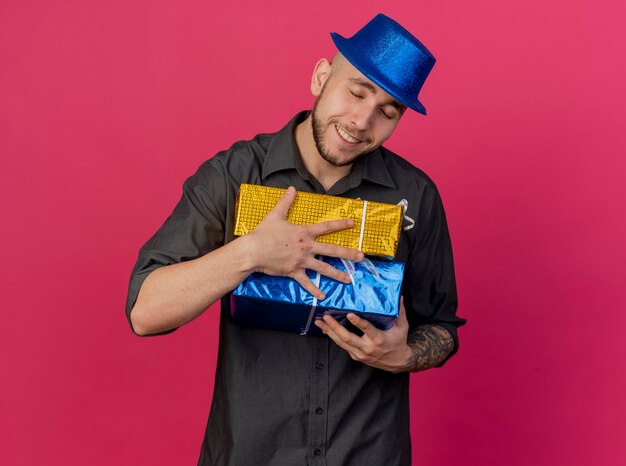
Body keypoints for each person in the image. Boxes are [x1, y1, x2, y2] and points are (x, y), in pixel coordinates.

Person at [126, 13, 466, 466]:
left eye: (387, 111)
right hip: (250, 453)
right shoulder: (233, 175)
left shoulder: (417, 197)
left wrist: (404, 355)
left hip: (368, 453)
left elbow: (442, 328)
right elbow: (145, 313)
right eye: (356, 91)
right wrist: (250, 253)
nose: (362, 121)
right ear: (321, 76)